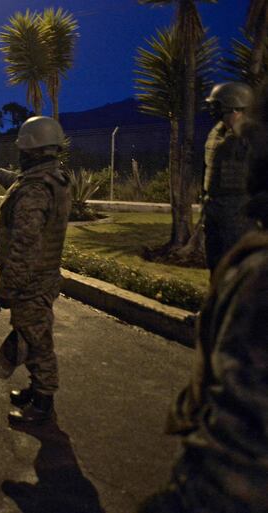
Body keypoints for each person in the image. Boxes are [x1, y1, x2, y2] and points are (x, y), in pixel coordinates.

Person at [138, 82, 268, 513]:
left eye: (222, 110)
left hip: (238, 218)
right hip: (219, 214)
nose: (219, 117)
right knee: (221, 280)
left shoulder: (259, 275)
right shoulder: (218, 136)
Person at [0, 115, 71, 425]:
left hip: (30, 281)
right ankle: (36, 390)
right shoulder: (52, 179)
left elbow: (24, 247)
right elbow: (21, 184)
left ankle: (43, 403)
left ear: (33, 150)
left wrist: (8, 288)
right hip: (44, 275)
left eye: (23, 148)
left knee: (37, 341)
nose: (20, 153)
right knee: (31, 335)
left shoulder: (35, 191)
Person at [202, 81, 254, 273]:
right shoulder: (217, 133)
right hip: (214, 206)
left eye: (218, 106)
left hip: (239, 210)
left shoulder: (253, 136)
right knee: (216, 265)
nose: (214, 111)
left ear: (235, 108)